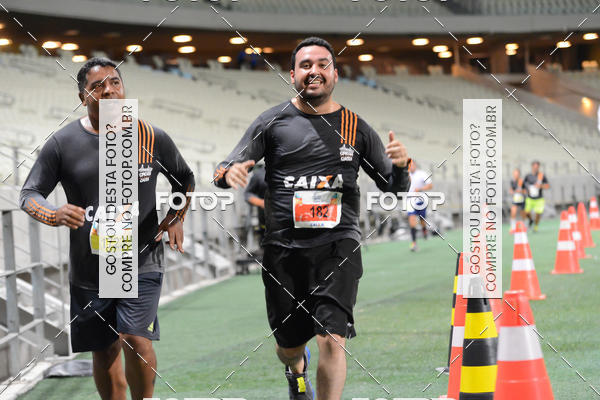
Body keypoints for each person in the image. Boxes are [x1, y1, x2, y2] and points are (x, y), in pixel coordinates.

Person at [213, 37, 410, 400]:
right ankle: (295, 368)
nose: (314, 71)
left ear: (335, 74)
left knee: (332, 339)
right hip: (283, 250)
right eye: (305, 65)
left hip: (338, 245)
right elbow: (224, 167)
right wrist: (228, 174)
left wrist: (400, 168)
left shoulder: (355, 126)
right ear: (292, 75)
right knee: (288, 346)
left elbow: (393, 187)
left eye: (322, 64)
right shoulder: (272, 121)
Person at [19, 57, 195, 400]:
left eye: (115, 82)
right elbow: (29, 194)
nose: (109, 91)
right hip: (91, 267)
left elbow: (184, 178)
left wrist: (177, 216)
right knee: (104, 349)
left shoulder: (150, 136)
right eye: (97, 86)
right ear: (83, 96)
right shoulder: (63, 142)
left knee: (135, 338)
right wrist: (53, 214)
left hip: (140, 259)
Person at [406, 159, 433, 252]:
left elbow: (430, 185)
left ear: (415, 165)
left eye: (412, 165)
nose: (411, 167)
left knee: (422, 220)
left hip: (421, 200)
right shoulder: (405, 175)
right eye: (409, 165)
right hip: (410, 201)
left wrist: (420, 189)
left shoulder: (422, 174)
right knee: (412, 221)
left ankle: (424, 230)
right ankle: (414, 243)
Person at [522, 161, 549, 232]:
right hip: (530, 198)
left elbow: (547, 186)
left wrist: (540, 186)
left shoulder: (541, 176)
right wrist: (526, 190)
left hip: (539, 199)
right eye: (534, 167)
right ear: (532, 167)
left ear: (538, 167)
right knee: (526, 212)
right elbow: (523, 186)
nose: (535, 168)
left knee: (538, 214)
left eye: (537, 167)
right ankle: (530, 220)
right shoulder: (528, 176)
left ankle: (536, 226)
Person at [509, 168, 525, 233]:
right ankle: (513, 227)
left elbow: (526, 191)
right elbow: (511, 190)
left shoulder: (522, 181)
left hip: (522, 200)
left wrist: (521, 191)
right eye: (515, 174)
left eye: (517, 174)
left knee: (523, 214)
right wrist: (512, 191)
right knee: (513, 212)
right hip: (515, 200)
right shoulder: (512, 182)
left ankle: (523, 226)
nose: (516, 175)